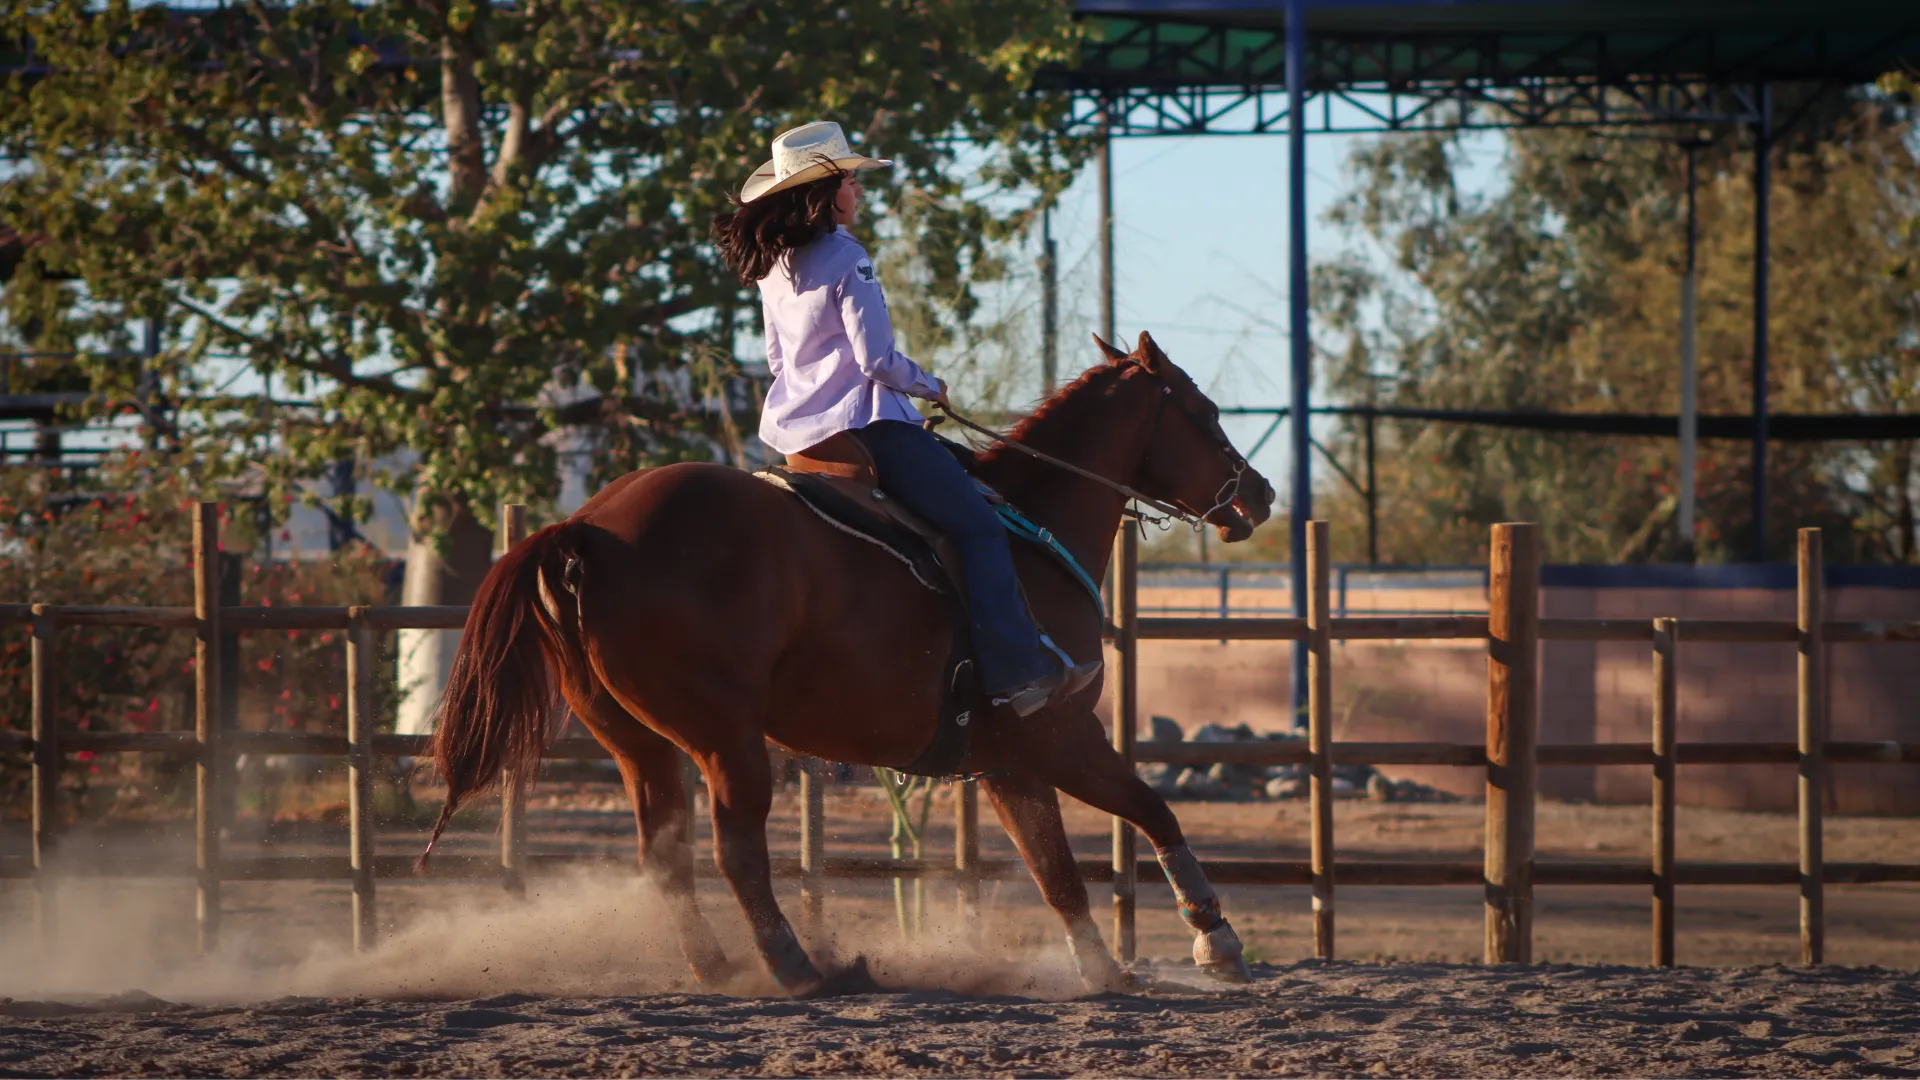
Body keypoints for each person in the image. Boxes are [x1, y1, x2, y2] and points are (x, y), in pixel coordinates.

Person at [712, 120, 1099, 717]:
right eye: (850, 181)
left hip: (799, 436)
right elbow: (876, 361)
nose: (859, 192)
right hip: (871, 427)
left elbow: (775, 360)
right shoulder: (847, 257)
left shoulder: (772, 266)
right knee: (979, 529)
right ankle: (1018, 672)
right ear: (826, 190)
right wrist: (930, 385)